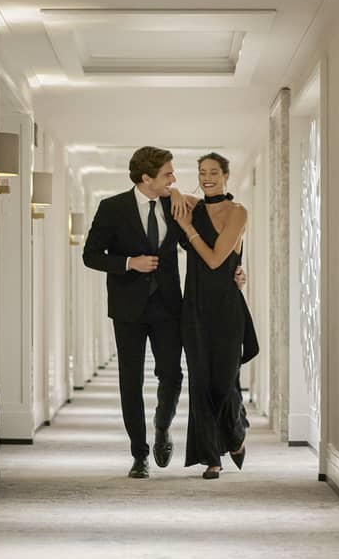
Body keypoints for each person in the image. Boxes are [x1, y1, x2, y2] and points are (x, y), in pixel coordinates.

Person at [82, 146, 245, 479]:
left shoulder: (176, 205)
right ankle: (139, 454)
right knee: (130, 380)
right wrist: (130, 263)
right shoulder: (112, 208)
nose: (174, 179)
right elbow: (91, 255)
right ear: (147, 178)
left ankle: (162, 426)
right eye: (168, 174)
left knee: (172, 375)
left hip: (169, 306)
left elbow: (207, 245)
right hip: (127, 308)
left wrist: (237, 269)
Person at [171, 152, 258, 480]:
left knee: (224, 382)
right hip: (194, 307)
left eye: (213, 172)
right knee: (200, 383)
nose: (207, 178)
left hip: (226, 308)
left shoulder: (238, 212)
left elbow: (215, 259)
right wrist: (176, 192)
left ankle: (235, 433)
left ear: (225, 176)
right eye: (202, 172)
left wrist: (186, 227)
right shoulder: (192, 207)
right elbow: (166, 194)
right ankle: (212, 458)